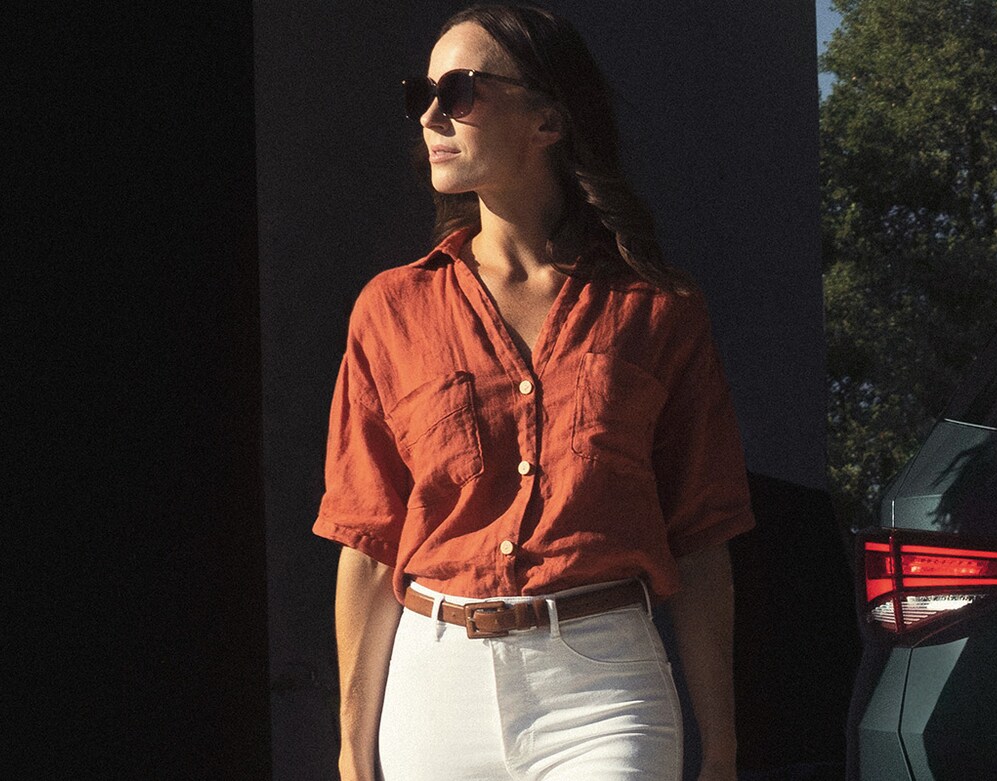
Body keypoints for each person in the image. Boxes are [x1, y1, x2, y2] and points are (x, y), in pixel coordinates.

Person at [319, 5, 749, 781]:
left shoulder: (657, 310)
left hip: (603, 687)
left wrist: (720, 742)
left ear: (547, 119)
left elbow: (704, 533)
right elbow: (367, 539)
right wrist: (353, 751)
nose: (430, 115)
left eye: (458, 92)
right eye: (422, 91)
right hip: (434, 690)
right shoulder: (391, 309)